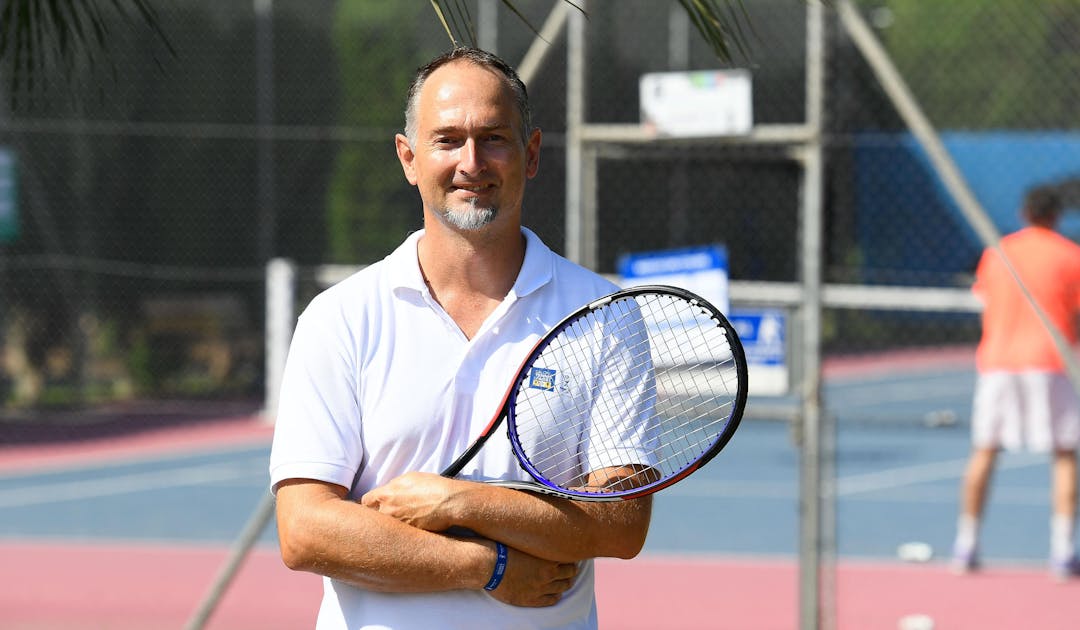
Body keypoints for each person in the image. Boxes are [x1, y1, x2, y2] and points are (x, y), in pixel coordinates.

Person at [269, 47, 653, 629]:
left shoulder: (604, 315)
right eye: (447, 140)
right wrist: (488, 566)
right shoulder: (339, 318)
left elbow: (621, 524)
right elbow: (305, 530)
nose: (471, 162)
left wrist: (460, 501)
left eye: (493, 138)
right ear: (409, 157)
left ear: (530, 154)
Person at [951, 187, 1080, 580]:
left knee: (985, 450)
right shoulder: (1069, 256)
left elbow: (985, 304)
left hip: (999, 363)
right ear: (1057, 216)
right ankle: (1061, 552)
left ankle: (966, 543)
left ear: (1025, 213)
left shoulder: (997, 252)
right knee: (1064, 454)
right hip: (1051, 362)